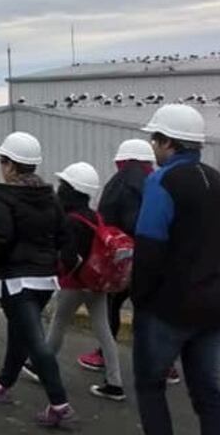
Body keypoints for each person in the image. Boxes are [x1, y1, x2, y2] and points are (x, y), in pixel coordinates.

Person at [133, 104, 220, 434]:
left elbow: (148, 248)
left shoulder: (162, 181)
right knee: (208, 394)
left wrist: (140, 298)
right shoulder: (217, 180)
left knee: (150, 385)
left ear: (168, 142)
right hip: (215, 307)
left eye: (156, 140)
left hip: (169, 307)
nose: (154, 148)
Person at [0, 132, 78, 427]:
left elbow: (2, 238)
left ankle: (59, 404)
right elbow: (64, 236)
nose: (0, 165)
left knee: (35, 340)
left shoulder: (2, 195)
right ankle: (3, 383)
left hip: (17, 280)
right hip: (45, 279)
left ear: (10, 165)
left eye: (2, 160)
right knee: (20, 331)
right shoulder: (49, 195)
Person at [26, 162, 125, 401]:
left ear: (70, 190)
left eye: (63, 185)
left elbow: (68, 257)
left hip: (75, 282)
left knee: (58, 323)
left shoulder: (70, 220)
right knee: (103, 331)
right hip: (97, 282)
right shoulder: (95, 216)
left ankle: (42, 367)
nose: (59, 189)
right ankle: (115, 383)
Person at [77, 140, 174, 379]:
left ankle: (104, 355)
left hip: (125, 259)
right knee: (152, 310)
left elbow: (107, 221)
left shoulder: (119, 183)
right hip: (159, 257)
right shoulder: (161, 181)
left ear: (122, 160)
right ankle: (165, 363)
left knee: (111, 305)